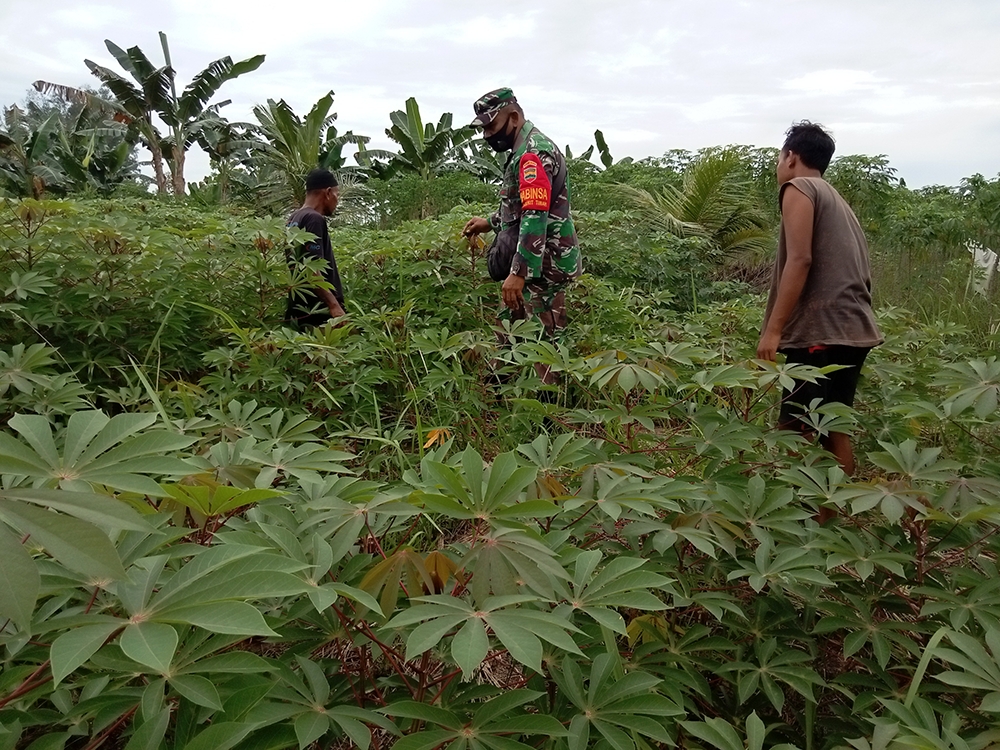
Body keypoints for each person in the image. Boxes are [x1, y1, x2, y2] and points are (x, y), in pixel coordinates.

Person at [757, 121, 884, 478]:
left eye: (779, 158)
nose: (779, 166)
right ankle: (832, 507)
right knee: (832, 428)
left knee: (792, 429)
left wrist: (773, 330)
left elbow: (800, 259)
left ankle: (795, 506)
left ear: (791, 157)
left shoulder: (798, 187)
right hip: (853, 329)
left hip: (821, 330)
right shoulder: (836, 199)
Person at [462, 88, 582, 384]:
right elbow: (519, 207)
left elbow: (535, 213)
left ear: (513, 117)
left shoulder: (533, 154)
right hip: (531, 263)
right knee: (508, 332)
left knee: (544, 347)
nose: (487, 135)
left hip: (545, 268)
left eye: (491, 126)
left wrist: (518, 272)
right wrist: (489, 222)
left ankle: (550, 405)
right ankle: (497, 394)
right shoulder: (521, 151)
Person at [284, 168, 346, 330]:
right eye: (337, 194)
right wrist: (334, 305)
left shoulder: (293, 218)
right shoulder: (314, 219)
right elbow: (311, 269)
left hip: (299, 306)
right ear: (328, 192)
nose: (337, 200)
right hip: (319, 310)